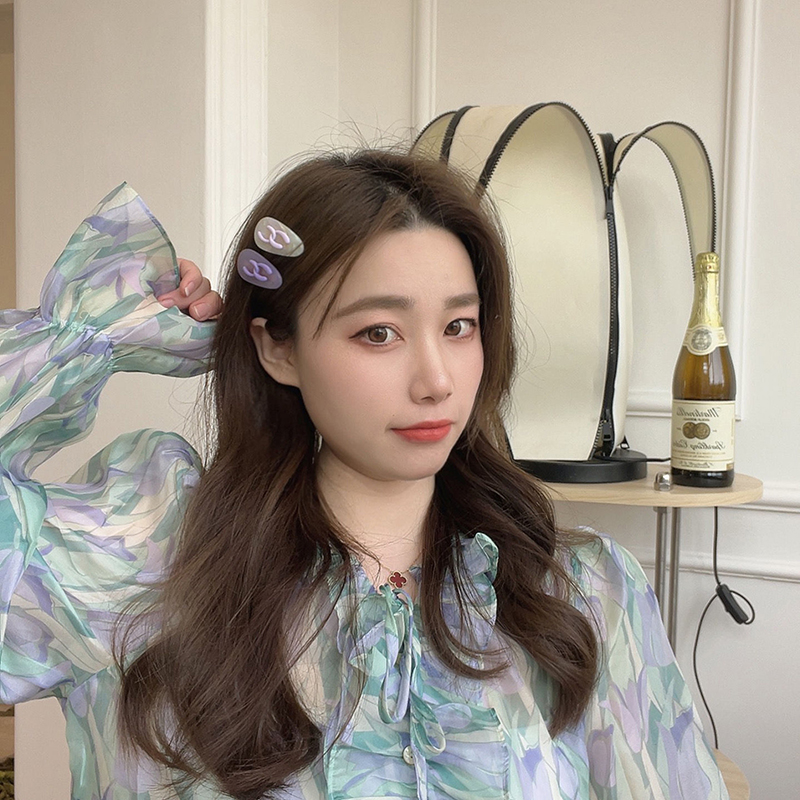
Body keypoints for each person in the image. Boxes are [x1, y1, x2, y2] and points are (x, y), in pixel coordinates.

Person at [0, 150, 728, 800]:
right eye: (378, 333)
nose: (436, 380)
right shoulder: (140, 563)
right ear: (278, 348)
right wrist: (89, 337)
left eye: (459, 326)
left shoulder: (578, 592)